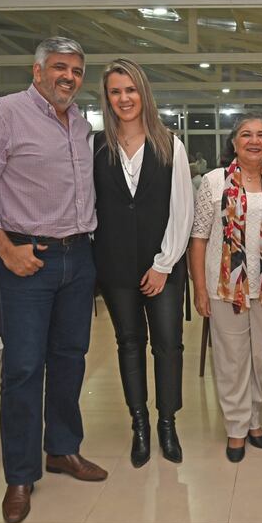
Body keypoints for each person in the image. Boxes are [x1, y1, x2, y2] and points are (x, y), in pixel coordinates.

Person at [0, 37, 107, 523]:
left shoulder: (80, 123)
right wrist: (5, 249)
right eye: (60, 67)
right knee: (21, 369)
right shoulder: (3, 114)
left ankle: (62, 448)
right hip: (27, 259)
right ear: (37, 70)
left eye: (77, 70)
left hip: (78, 257)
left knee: (70, 358)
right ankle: (20, 474)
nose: (68, 76)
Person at [92, 58, 193, 468]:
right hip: (115, 266)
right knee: (129, 344)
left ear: (143, 93)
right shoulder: (95, 146)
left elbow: (181, 210)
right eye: (116, 91)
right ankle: (140, 426)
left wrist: (164, 263)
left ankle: (167, 423)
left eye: (130, 89)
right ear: (108, 98)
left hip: (163, 268)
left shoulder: (171, 144)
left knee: (168, 346)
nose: (124, 98)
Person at [189, 113, 262, 463]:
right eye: (246, 134)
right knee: (232, 360)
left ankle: (255, 419)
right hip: (224, 286)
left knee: (259, 357)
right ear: (234, 142)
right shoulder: (214, 182)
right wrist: (199, 289)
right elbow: (198, 237)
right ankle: (235, 427)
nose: (254, 140)